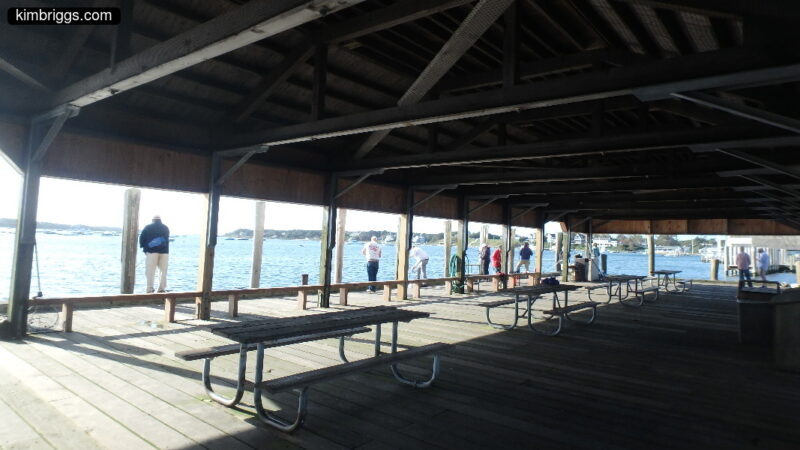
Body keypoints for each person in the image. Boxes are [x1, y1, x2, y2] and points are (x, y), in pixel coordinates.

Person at [139, 215, 170, 293]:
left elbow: (142, 239)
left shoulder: (147, 227)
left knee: (150, 271)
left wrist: (144, 249)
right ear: (160, 220)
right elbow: (166, 239)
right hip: (164, 252)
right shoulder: (165, 228)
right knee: (163, 271)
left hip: (151, 252)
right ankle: (161, 289)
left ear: (152, 220)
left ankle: (150, 289)